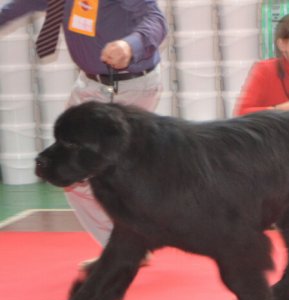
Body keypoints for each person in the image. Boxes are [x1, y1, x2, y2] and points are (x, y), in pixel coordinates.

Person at [0, 0, 167, 268]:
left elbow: (154, 18)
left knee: (105, 172)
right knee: (68, 173)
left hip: (130, 87)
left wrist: (129, 45)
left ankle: (135, 236)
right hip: (90, 85)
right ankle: (123, 248)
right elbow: (21, 5)